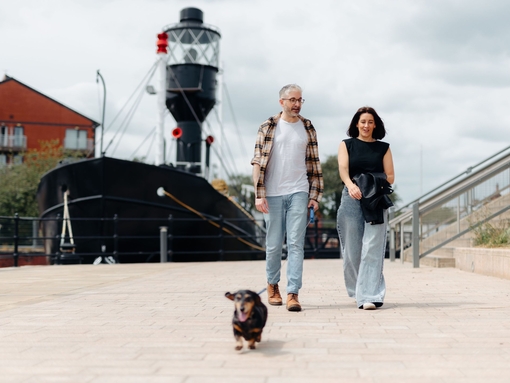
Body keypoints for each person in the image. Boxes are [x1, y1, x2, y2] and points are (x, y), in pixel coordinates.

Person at [251, 84, 323, 312]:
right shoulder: (268, 126)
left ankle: (293, 293)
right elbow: (257, 162)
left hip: (299, 191)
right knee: (273, 245)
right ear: (281, 102)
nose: (297, 104)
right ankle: (273, 286)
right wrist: (258, 194)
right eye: (292, 100)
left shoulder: (308, 127)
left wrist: (315, 195)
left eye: (300, 100)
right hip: (271, 193)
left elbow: (314, 163)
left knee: (295, 244)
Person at [336, 106, 395, 310]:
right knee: (352, 249)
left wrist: (370, 182)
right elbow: (343, 169)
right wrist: (352, 185)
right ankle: (357, 289)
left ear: (375, 124)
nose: (366, 125)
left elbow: (390, 176)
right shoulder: (347, 145)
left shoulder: (383, 148)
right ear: (356, 124)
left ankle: (370, 295)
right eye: (363, 122)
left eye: (370, 122)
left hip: (376, 199)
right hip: (352, 197)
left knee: (373, 247)